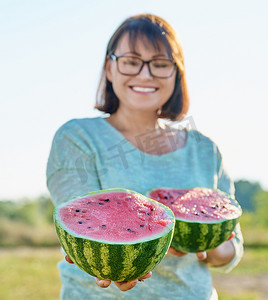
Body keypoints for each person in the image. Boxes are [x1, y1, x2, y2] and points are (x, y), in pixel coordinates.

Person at [46, 13, 244, 300]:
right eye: (131, 61)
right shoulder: (77, 138)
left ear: (176, 73)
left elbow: (231, 248)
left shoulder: (205, 149)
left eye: (160, 64)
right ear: (110, 68)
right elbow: (80, 229)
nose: (145, 74)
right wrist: (116, 261)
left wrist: (202, 239)